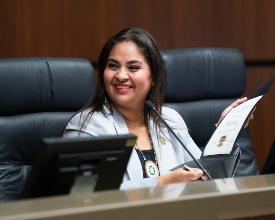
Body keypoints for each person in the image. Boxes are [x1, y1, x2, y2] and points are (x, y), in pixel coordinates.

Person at [62, 27, 248, 190]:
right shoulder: (85, 127)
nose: (121, 75)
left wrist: (226, 131)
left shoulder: (168, 118)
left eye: (133, 67)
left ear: (153, 78)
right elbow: (85, 196)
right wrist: (160, 184)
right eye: (113, 66)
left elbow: (208, 176)